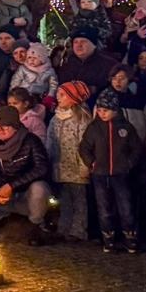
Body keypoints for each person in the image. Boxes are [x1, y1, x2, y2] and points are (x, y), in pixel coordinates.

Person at [0, 104, 54, 244]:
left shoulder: (31, 141)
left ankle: (36, 224)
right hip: (1, 195)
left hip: (26, 194)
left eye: (5, 127)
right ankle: (3, 217)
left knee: (39, 188)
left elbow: (42, 168)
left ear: (15, 127)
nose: (0, 130)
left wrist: (11, 186)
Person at [79, 88, 143, 254]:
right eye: (99, 110)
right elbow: (84, 147)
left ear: (115, 110)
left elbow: (136, 148)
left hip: (120, 174)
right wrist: (91, 163)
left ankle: (130, 237)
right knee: (104, 208)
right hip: (100, 174)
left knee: (126, 207)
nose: (102, 114)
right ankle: (108, 238)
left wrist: (129, 163)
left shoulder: (126, 127)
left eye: (105, 110)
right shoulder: (94, 127)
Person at [46, 81, 93, 241]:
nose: (58, 97)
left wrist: (84, 166)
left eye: (62, 95)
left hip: (76, 168)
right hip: (60, 166)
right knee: (64, 199)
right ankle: (64, 227)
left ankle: (78, 230)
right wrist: (48, 160)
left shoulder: (82, 119)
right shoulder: (55, 119)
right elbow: (50, 141)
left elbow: (85, 145)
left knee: (79, 200)